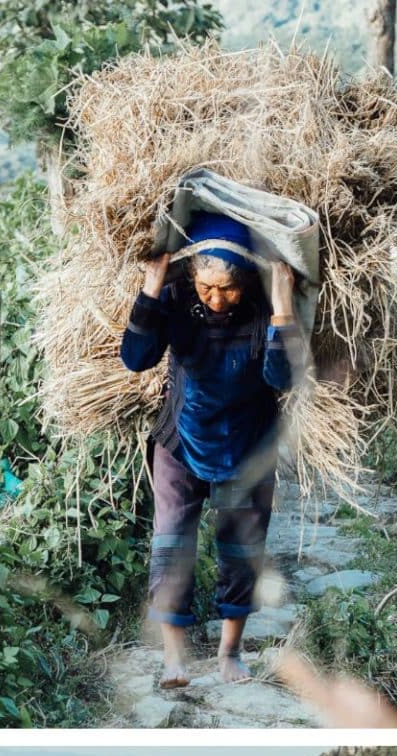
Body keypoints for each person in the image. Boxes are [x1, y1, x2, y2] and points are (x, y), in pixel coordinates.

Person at [120, 212, 308, 687]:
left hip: (247, 445)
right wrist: (151, 286)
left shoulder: (265, 305)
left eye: (228, 288)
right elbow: (135, 359)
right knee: (171, 544)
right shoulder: (174, 297)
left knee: (241, 549)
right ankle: (174, 659)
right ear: (191, 276)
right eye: (207, 287)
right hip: (180, 440)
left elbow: (282, 379)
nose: (217, 298)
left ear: (245, 279)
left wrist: (283, 308)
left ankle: (231, 654)